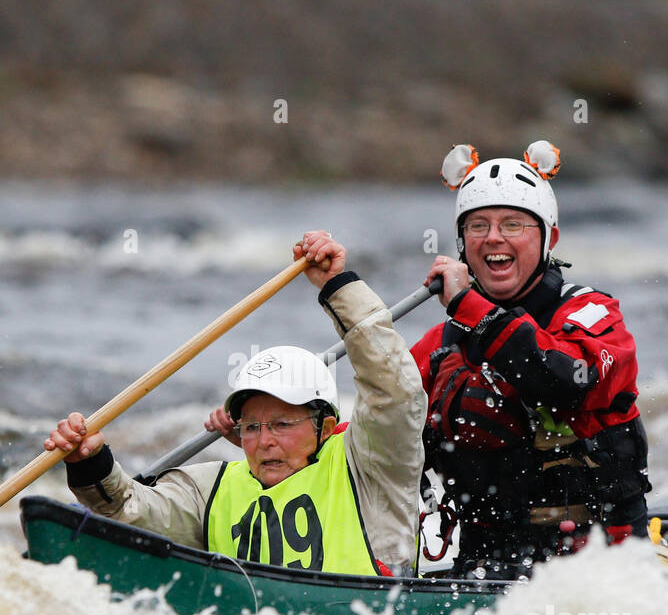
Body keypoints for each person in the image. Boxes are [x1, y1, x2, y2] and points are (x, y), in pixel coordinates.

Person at [46, 231, 426, 576]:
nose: (264, 441)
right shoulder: (211, 489)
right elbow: (130, 513)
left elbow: (395, 391)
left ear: (324, 428)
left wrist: (338, 287)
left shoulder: (369, 467)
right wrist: (89, 465)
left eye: (281, 424)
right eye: (252, 427)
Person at [414, 141, 651, 578]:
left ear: (548, 238)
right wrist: (286, 420)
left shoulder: (593, 314)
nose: (494, 238)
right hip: (486, 564)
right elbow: (379, 426)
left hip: (600, 565)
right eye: (478, 226)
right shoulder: (441, 344)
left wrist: (470, 308)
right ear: (462, 244)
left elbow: (562, 379)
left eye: (514, 224)